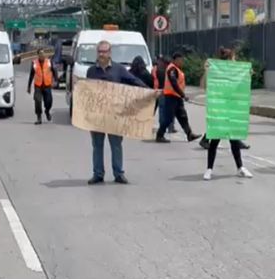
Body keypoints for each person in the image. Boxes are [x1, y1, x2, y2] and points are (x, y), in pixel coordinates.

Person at [85, 40, 150, 185]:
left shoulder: (118, 69)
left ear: (110, 53)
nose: (102, 54)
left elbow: (134, 81)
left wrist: (149, 91)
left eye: (104, 51)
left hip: (115, 116)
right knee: (97, 146)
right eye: (100, 51)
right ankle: (98, 174)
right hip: (97, 116)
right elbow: (86, 93)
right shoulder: (91, 71)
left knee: (116, 145)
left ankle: (118, 173)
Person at [202, 48, 253, 180]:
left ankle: (240, 167)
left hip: (232, 111)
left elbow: (243, 87)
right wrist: (206, 71)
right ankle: (209, 169)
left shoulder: (235, 75)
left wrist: (248, 75)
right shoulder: (216, 73)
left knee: (234, 140)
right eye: (234, 59)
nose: (236, 62)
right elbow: (204, 85)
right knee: (215, 140)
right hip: (220, 110)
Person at [155, 52, 202, 144]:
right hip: (170, 97)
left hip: (177, 97)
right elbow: (174, 84)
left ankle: (189, 134)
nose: (181, 62)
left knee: (183, 116)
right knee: (168, 118)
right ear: (175, 60)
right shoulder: (171, 69)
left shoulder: (177, 69)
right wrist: (183, 95)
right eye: (180, 60)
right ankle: (159, 135)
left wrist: (181, 95)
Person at [27, 49, 58, 125]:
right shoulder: (34, 63)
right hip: (38, 86)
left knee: (49, 102)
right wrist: (29, 86)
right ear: (38, 55)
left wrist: (56, 81)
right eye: (40, 54)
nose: (42, 55)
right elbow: (31, 75)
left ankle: (47, 111)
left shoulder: (49, 62)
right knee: (37, 101)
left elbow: (54, 71)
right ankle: (39, 117)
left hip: (47, 85)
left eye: (43, 54)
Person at [152, 55, 178, 134]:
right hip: (166, 91)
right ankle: (170, 127)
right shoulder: (168, 70)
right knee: (169, 110)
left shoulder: (156, 68)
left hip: (158, 91)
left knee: (160, 110)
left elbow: (153, 78)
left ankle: (162, 126)